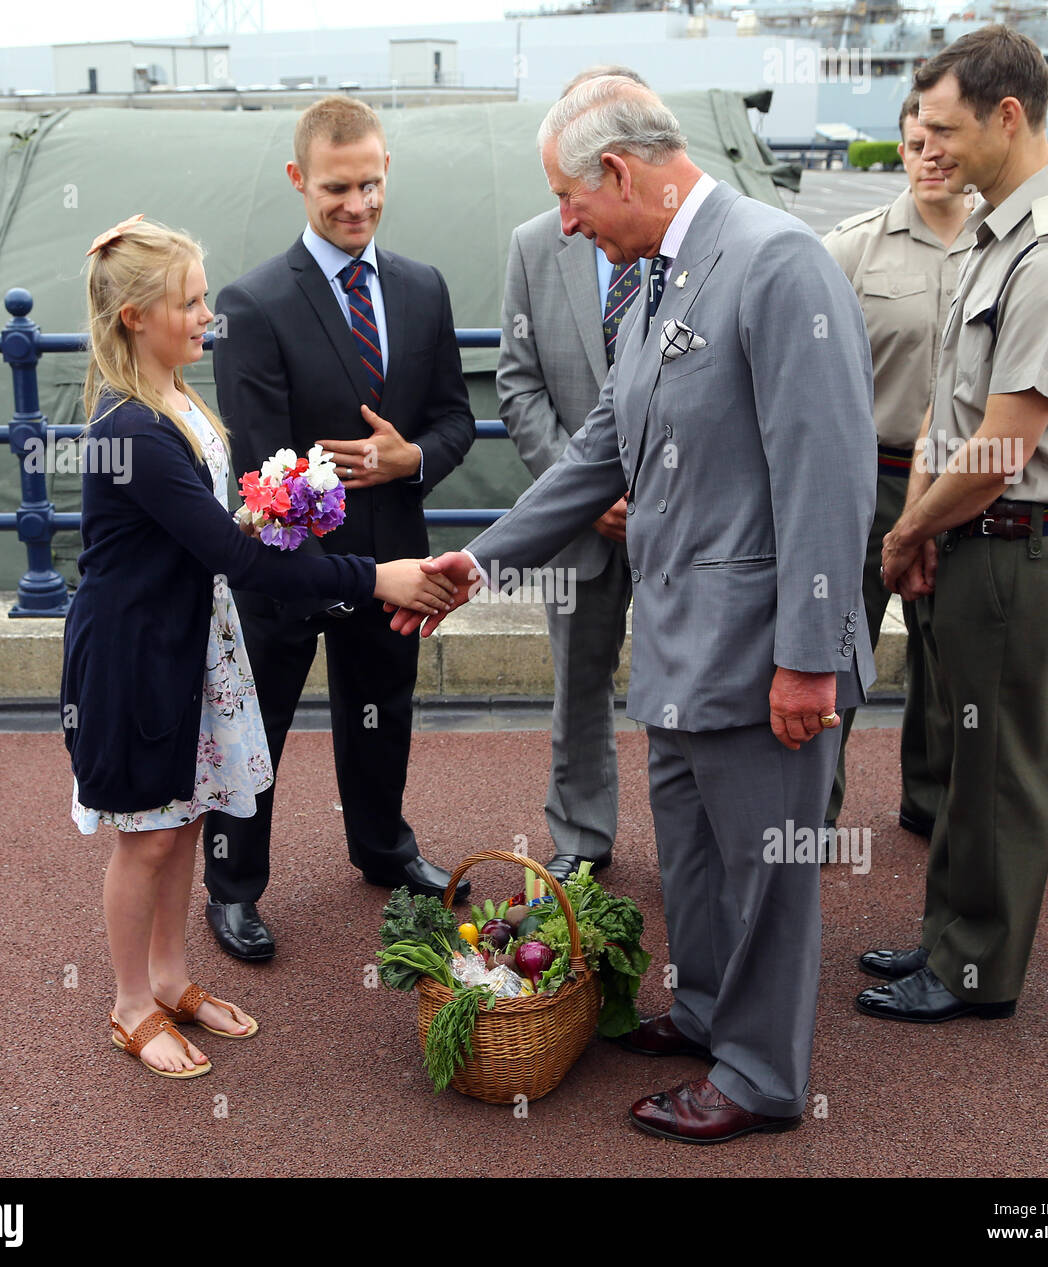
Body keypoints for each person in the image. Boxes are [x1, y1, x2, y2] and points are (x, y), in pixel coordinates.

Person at [391, 76, 876, 1143]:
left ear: (618, 172)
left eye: (570, 198)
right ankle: (705, 1011)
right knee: (698, 859)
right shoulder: (661, 276)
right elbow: (594, 453)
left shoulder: (775, 259)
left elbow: (828, 475)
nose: (564, 223)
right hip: (677, 649)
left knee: (769, 872)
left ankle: (758, 1075)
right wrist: (476, 564)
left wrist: (810, 657)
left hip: (760, 656)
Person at [61, 215, 455, 1077]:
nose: (208, 316)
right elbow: (234, 557)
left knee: (188, 813)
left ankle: (170, 979)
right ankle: (131, 1005)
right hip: (138, 657)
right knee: (149, 836)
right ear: (136, 316)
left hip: (185, 641)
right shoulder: (129, 428)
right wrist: (373, 575)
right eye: (190, 303)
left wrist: (274, 507)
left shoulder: (176, 399)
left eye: (205, 300)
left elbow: (216, 528)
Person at [860, 26, 1048, 1022]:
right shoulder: (1002, 227)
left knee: (1002, 771)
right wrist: (932, 520)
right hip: (980, 536)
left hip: (1021, 544)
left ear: (1006, 117)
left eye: (944, 126)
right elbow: (948, 402)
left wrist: (902, 534)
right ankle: (947, 939)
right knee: (965, 759)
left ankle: (975, 971)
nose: (928, 145)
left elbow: (1004, 445)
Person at [201, 96, 477, 961]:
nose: (356, 203)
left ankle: (383, 847)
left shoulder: (424, 287)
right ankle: (234, 887)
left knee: (380, 709)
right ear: (298, 181)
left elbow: (456, 420)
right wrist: (325, 566)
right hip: (284, 568)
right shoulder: (251, 303)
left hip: (392, 544)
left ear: (386, 170)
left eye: (370, 183)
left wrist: (411, 461)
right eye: (335, 188)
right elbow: (258, 462)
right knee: (260, 728)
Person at [496, 64, 651, 886]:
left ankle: (696, 841)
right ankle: (582, 840)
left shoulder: (691, 239)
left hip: (680, 521)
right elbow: (516, 381)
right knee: (578, 690)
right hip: (580, 529)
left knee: (685, 691)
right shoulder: (535, 242)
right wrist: (582, 493)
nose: (567, 214)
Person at [821, 90, 975, 837]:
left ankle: (931, 802)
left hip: (964, 483)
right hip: (866, 477)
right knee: (838, 649)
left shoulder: (1004, 244)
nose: (929, 160)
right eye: (915, 145)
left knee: (947, 662)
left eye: (943, 144)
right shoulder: (853, 246)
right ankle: (814, 812)